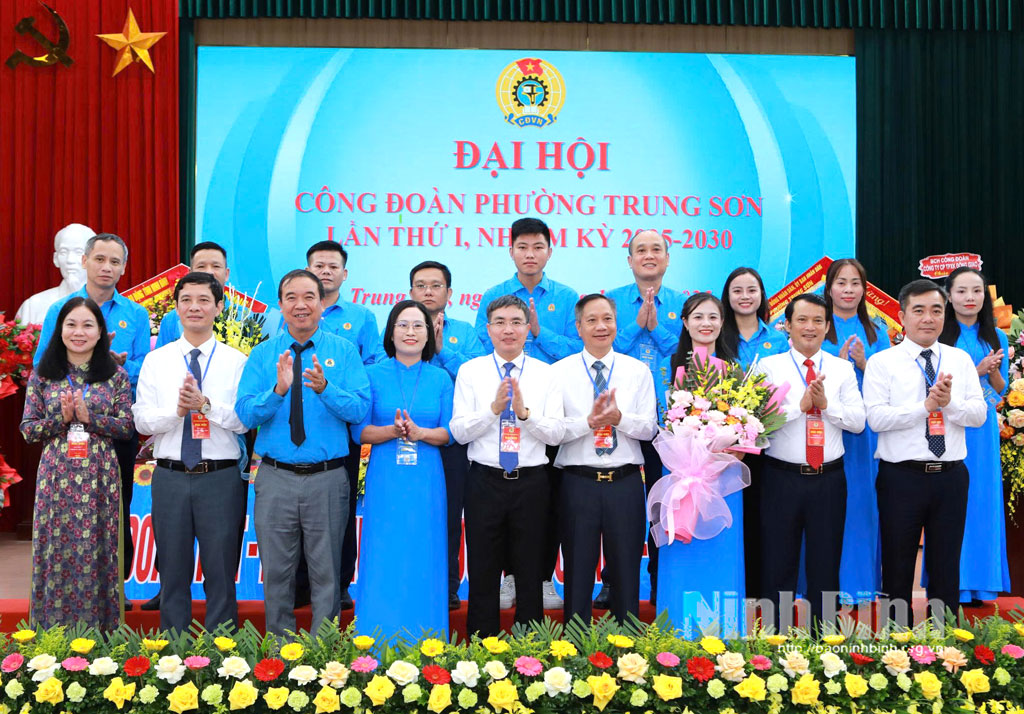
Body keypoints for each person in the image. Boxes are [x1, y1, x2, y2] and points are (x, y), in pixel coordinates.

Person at [235, 269, 370, 636]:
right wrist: (277, 392)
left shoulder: (343, 352)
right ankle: (280, 651)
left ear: (322, 303)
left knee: (327, 571)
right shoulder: (263, 354)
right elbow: (245, 414)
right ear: (280, 304)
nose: (300, 305)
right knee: (277, 572)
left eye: (309, 297)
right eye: (291, 297)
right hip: (275, 477)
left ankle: (323, 649)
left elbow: (359, 409)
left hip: (327, 477)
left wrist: (326, 389)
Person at [864, 279, 986, 625]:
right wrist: (925, 407)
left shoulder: (960, 359)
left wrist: (949, 404)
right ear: (902, 316)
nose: (928, 318)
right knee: (897, 563)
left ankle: (944, 639)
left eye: (936, 310)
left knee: (946, 564)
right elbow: (876, 419)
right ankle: (897, 640)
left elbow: (978, 415)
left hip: (950, 476)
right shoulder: (883, 362)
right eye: (918, 311)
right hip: (901, 477)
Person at [33, 233, 150, 595]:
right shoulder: (60, 310)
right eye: (100, 259)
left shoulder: (136, 313)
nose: (106, 268)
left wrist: (111, 364)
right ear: (85, 261)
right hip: (62, 436)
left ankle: (114, 591)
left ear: (124, 268)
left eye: (115, 261)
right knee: (62, 516)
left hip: (114, 429)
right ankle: (63, 591)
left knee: (114, 511)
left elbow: (146, 368)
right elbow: (42, 364)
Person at [474, 217, 581, 610]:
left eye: (538, 246)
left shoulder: (567, 297)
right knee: (503, 502)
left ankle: (542, 576)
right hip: (500, 411)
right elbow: (480, 346)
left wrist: (538, 331)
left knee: (545, 501)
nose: (530, 254)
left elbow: (578, 350)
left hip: (547, 412)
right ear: (511, 251)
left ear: (550, 251)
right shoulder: (494, 294)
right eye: (522, 247)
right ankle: (509, 577)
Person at [132, 272, 249, 633]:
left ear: (219, 307)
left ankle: (223, 652)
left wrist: (205, 406)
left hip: (221, 478)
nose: (194, 307)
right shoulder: (157, 361)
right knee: (172, 571)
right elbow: (142, 419)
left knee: (221, 571)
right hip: (170, 476)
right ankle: (174, 651)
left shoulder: (236, 361)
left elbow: (244, 421)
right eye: (186, 300)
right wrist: (178, 412)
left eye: (203, 300)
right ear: (176, 308)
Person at [452, 295, 565, 636]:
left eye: (516, 322)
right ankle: (481, 649)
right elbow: (459, 432)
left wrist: (525, 414)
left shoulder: (547, 374)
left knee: (530, 571)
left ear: (528, 328)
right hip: (484, 481)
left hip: (532, 482)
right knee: (483, 570)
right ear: (488, 329)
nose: (508, 330)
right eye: (500, 322)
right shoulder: (471, 371)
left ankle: (529, 652)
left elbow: (557, 433)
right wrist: (493, 410)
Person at [20, 297, 133, 629]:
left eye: (87, 325)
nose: (78, 332)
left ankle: (102, 637)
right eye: (71, 325)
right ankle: (50, 636)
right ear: (60, 330)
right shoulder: (43, 375)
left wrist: (89, 418)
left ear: (100, 332)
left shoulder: (116, 376)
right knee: (54, 550)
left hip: (101, 478)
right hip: (56, 478)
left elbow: (127, 428)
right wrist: (62, 419)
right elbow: (28, 430)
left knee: (99, 551)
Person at [756, 294, 864, 632]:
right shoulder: (768, 367)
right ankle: (775, 639)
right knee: (777, 562)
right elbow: (757, 422)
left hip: (828, 479)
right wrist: (799, 407)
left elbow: (858, 422)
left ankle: (824, 639)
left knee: (825, 563)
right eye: (802, 320)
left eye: (818, 321)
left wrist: (826, 405)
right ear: (787, 325)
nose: (810, 327)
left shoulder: (842, 368)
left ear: (827, 326)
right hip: (780, 477)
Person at [553, 294, 657, 625]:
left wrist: (618, 419)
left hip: (625, 482)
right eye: (592, 320)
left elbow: (649, 428)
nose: (601, 326)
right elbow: (552, 432)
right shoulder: (559, 372)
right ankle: (574, 646)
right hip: (577, 482)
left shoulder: (637, 371)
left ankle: (628, 647)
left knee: (626, 571)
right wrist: (589, 422)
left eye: (607, 319)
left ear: (616, 323)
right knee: (577, 571)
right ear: (578, 327)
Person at [352, 300, 453, 638]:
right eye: (403, 325)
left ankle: (428, 642)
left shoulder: (440, 378)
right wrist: (392, 432)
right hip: (385, 479)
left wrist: (420, 433)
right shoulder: (371, 375)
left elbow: (450, 433)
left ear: (429, 334)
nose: (411, 332)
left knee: (424, 555)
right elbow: (359, 432)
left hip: (426, 480)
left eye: (418, 325)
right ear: (390, 333)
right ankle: (374, 642)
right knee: (384, 555)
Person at [603, 229, 685, 609]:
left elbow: (687, 353)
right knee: (615, 505)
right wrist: (636, 326)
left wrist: (656, 329)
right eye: (641, 250)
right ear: (630, 260)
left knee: (661, 504)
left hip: (670, 421)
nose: (649, 255)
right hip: (619, 417)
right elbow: (602, 348)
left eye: (656, 249)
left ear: (667, 258)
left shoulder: (683, 304)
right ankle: (612, 582)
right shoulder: (611, 302)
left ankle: (659, 580)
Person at [656, 293, 744, 636]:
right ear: (685, 322)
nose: (705, 323)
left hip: (723, 475)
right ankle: (676, 632)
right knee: (682, 553)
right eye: (698, 317)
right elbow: (658, 420)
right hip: (680, 475)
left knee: (721, 551)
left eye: (713, 317)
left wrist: (736, 444)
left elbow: (746, 421)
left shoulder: (735, 370)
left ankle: (724, 634)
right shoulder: (668, 366)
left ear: (722, 323)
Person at [306, 240, 381, 610]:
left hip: (343, 429)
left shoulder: (362, 317)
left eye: (332, 266)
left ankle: (339, 583)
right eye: (318, 265)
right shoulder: (286, 313)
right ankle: (300, 584)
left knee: (341, 512)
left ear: (345, 273)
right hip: (299, 427)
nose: (325, 271)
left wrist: (337, 385)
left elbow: (374, 366)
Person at [409, 260, 486, 610]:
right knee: (413, 515)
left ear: (449, 292)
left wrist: (442, 350)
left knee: (451, 515)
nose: (428, 291)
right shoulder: (401, 328)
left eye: (436, 285)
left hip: (453, 441)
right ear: (411, 291)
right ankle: (413, 582)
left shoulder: (465, 333)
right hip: (408, 438)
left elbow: (479, 377)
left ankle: (448, 586)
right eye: (421, 285)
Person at [939, 267, 1010, 605]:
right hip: (949, 426)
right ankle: (951, 580)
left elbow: (1001, 390)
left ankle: (980, 584)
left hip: (983, 432)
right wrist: (976, 371)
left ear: (985, 296)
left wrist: (991, 374)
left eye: (977, 291)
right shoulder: (940, 336)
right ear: (949, 295)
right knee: (950, 505)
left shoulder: (997, 337)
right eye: (962, 291)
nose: (970, 297)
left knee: (982, 502)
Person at [821, 259, 890, 602]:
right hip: (824, 430)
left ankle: (860, 585)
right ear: (829, 288)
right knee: (825, 509)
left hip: (865, 438)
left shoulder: (878, 330)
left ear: (865, 289)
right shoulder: (817, 325)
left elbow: (892, 383)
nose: (848, 290)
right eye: (841, 283)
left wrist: (864, 364)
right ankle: (821, 584)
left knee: (861, 508)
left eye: (855, 283)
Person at [720, 267, 788, 599]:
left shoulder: (779, 339)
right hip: (727, 447)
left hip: (769, 444)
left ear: (762, 295)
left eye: (752, 290)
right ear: (727, 296)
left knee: (766, 517)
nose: (745, 296)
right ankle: (734, 585)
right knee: (733, 517)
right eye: (738, 290)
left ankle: (762, 590)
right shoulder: (718, 336)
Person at [16, 223, 94, 326]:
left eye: (78, 252)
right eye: (63, 252)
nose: (70, 260)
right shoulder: (33, 306)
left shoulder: (110, 304)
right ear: (56, 259)